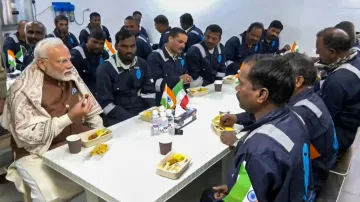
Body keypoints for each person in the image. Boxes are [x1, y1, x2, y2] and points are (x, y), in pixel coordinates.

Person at [2, 38, 103, 202]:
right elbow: (26, 135)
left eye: (69, 58)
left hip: (75, 139)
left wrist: (100, 133)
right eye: (63, 61)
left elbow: (90, 106)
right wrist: (70, 117)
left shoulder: (69, 72)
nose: (70, 65)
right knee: (47, 192)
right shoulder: (22, 90)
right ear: (42, 64)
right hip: (37, 151)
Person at [201, 55, 315, 202]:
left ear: (262, 94)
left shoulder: (258, 150)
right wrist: (235, 185)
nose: (237, 88)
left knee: (208, 196)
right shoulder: (295, 117)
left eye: (241, 84)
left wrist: (234, 191)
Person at [96, 29, 156, 126]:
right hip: (116, 117)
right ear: (116, 46)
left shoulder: (142, 64)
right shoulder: (105, 69)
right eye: (124, 46)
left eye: (132, 46)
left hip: (141, 112)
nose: (129, 50)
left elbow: (149, 92)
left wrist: (149, 113)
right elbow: (106, 105)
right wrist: (133, 120)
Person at [315, 27, 360, 152]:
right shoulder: (355, 60)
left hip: (337, 138)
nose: (318, 54)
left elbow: (322, 119)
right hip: (349, 130)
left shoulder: (337, 81)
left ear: (332, 52)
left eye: (319, 51)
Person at [147, 27, 192, 104]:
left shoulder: (181, 56)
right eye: (180, 42)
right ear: (170, 39)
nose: (183, 46)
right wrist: (179, 79)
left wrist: (187, 79)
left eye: (185, 43)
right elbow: (156, 85)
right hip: (163, 103)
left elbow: (184, 73)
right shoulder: (155, 57)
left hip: (180, 99)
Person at [70, 28, 109, 96]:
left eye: (101, 43)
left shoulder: (103, 54)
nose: (98, 46)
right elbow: (71, 82)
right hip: (81, 93)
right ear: (88, 39)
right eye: (95, 42)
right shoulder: (76, 55)